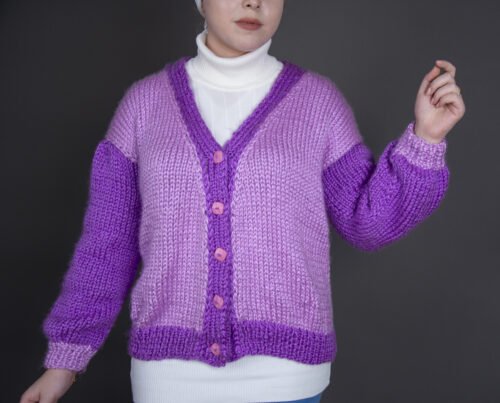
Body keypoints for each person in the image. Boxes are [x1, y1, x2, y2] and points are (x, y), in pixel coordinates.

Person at [20, 0, 465, 402]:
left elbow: (366, 222)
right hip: (169, 375)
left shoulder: (318, 104)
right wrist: (65, 361)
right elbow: (107, 245)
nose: (254, 3)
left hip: (286, 374)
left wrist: (426, 138)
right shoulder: (143, 107)